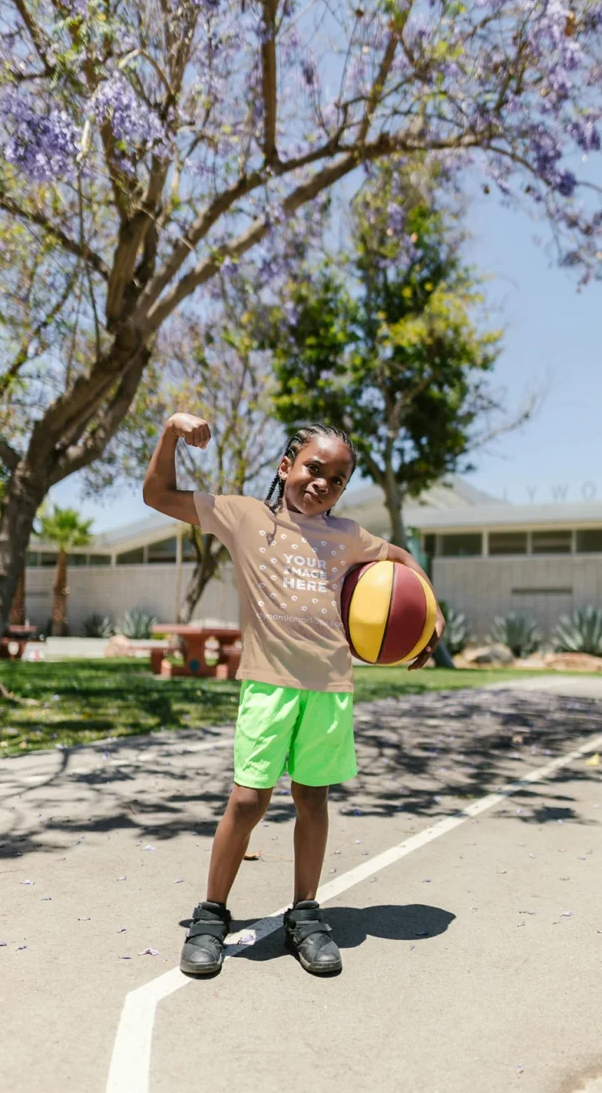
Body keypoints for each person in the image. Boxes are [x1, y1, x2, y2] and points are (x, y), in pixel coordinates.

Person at [143, 412, 445, 976]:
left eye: (337, 478)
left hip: (329, 688)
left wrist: (431, 616)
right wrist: (169, 432)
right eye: (314, 468)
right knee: (248, 801)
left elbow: (402, 561)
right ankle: (212, 915)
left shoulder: (349, 536)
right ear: (286, 466)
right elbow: (157, 493)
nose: (323, 483)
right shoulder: (244, 517)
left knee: (312, 800)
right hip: (268, 686)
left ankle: (304, 914)